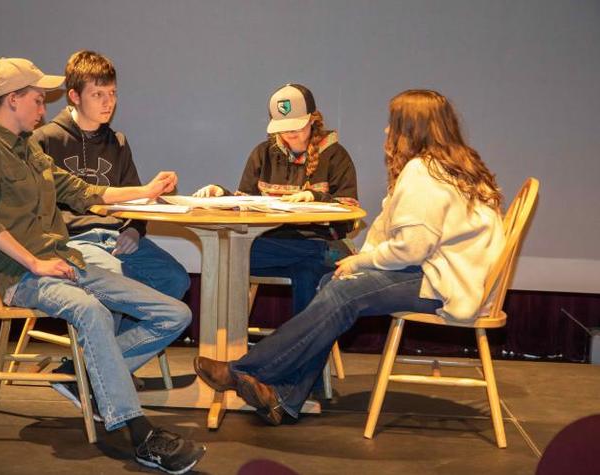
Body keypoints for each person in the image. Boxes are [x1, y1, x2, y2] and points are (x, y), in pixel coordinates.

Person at [193, 89, 506, 427]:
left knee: (343, 291)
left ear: (411, 129)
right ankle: (284, 398)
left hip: (447, 282)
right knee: (333, 281)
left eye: (393, 125)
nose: (387, 132)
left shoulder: (424, 172)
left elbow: (411, 248)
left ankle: (243, 370)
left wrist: (360, 262)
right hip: (451, 274)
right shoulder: (453, 164)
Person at [0, 57, 205, 474]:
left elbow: (83, 191)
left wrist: (147, 190)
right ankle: (138, 434)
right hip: (19, 275)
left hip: (61, 261)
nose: (43, 108)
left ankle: (85, 376)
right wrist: (35, 262)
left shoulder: (29, 149)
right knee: (91, 311)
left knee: (174, 312)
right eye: (37, 99)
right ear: (12, 100)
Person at [32, 50, 190, 393]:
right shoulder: (45, 140)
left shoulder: (117, 142)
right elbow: (39, 208)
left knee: (175, 279)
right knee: (116, 278)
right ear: (74, 96)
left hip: (116, 238)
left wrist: (135, 228)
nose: (108, 103)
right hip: (72, 241)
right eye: (98, 94)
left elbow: (133, 199)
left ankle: (90, 368)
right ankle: (103, 376)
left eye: (113, 93)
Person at [193, 83, 359, 315]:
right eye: (284, 127)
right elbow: (247, 206)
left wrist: (316, 197)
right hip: (274, 245)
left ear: (312, 118)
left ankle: (296, 350)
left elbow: (350, 217)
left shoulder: (335, 155)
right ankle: (238, 346)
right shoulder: (263, 154)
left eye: (297, 126)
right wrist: (221, 194)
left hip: (319, 241)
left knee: (236, 255)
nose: (291, 133)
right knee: (238, 257)